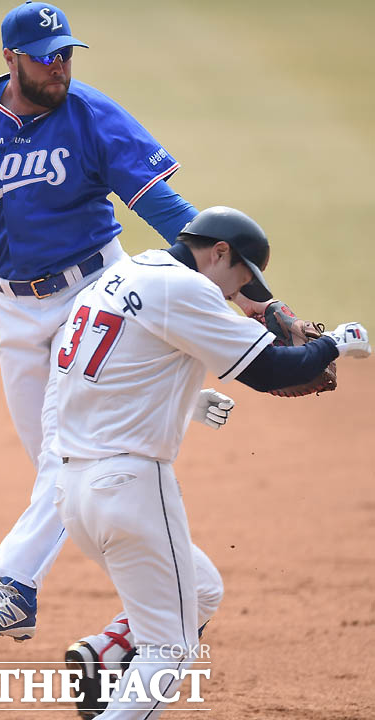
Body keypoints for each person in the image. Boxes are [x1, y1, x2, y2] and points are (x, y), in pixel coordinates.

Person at [0, 1, 235, 640]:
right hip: (13, 308)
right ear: (10, 58)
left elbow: (169, 210)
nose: (60, 66)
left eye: (67, 53)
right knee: (69, 474)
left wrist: (244, 289)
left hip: (97, 294)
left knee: (68, 457)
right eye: (47, 56)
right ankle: (195, 591)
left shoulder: (91, 116)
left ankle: (15, 588)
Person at [52, 206, 370, 719]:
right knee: (169, 653)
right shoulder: (186, 288)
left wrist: (182, 400)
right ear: (219, 252)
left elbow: (109, 369)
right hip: (130, 487)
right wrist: (340, 340)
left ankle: (105, 655)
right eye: (242, 278)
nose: (236, 293)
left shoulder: (123, 275)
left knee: (200, 589)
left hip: (75, 490)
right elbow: (269, 371)